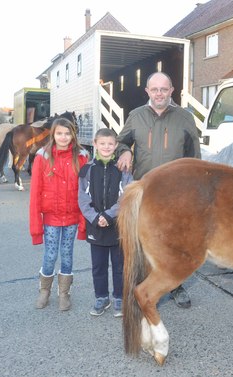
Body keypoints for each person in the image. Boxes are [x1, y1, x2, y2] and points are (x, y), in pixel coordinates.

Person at [115, 71, 201, 309]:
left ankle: (175, 285)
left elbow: (195, 156)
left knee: (175, 243)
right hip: (146, 193)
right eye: (155, 89)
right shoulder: (136, 116)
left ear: (172, 91)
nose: (159, 94)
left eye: (164, 89)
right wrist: (124, 150)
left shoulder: (185, 118)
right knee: (146, 242)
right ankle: (145, 284)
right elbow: (120, 142)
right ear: (148, 92)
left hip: (177, 195)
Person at [29, 117, 89, 311]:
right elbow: (35, 193)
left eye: (67, 133)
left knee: (67, 254)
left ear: (73, 134)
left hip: (71, 216)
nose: (63, 137)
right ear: (53, 135)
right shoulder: (42, 156)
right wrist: (36, 227)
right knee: (50, 254)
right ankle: (44, 290)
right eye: (59, 133)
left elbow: (85, 191)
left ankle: (64, 292)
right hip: (51, 218)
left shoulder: (81, 157)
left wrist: (83, 222)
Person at [78, 128, 133, 317]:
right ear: (95, 144)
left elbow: (126, 196)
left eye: (110, 144)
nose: (106, 147)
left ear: (116, 145)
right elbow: (82, 199)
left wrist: (110, 215)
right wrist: (95, 217)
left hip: (117, 224)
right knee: (98, 266)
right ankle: (101, 297)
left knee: (119, 265)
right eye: (102, 143)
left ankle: (119, 297)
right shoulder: (86, 170)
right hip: (95, 225)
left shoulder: (123, 170)